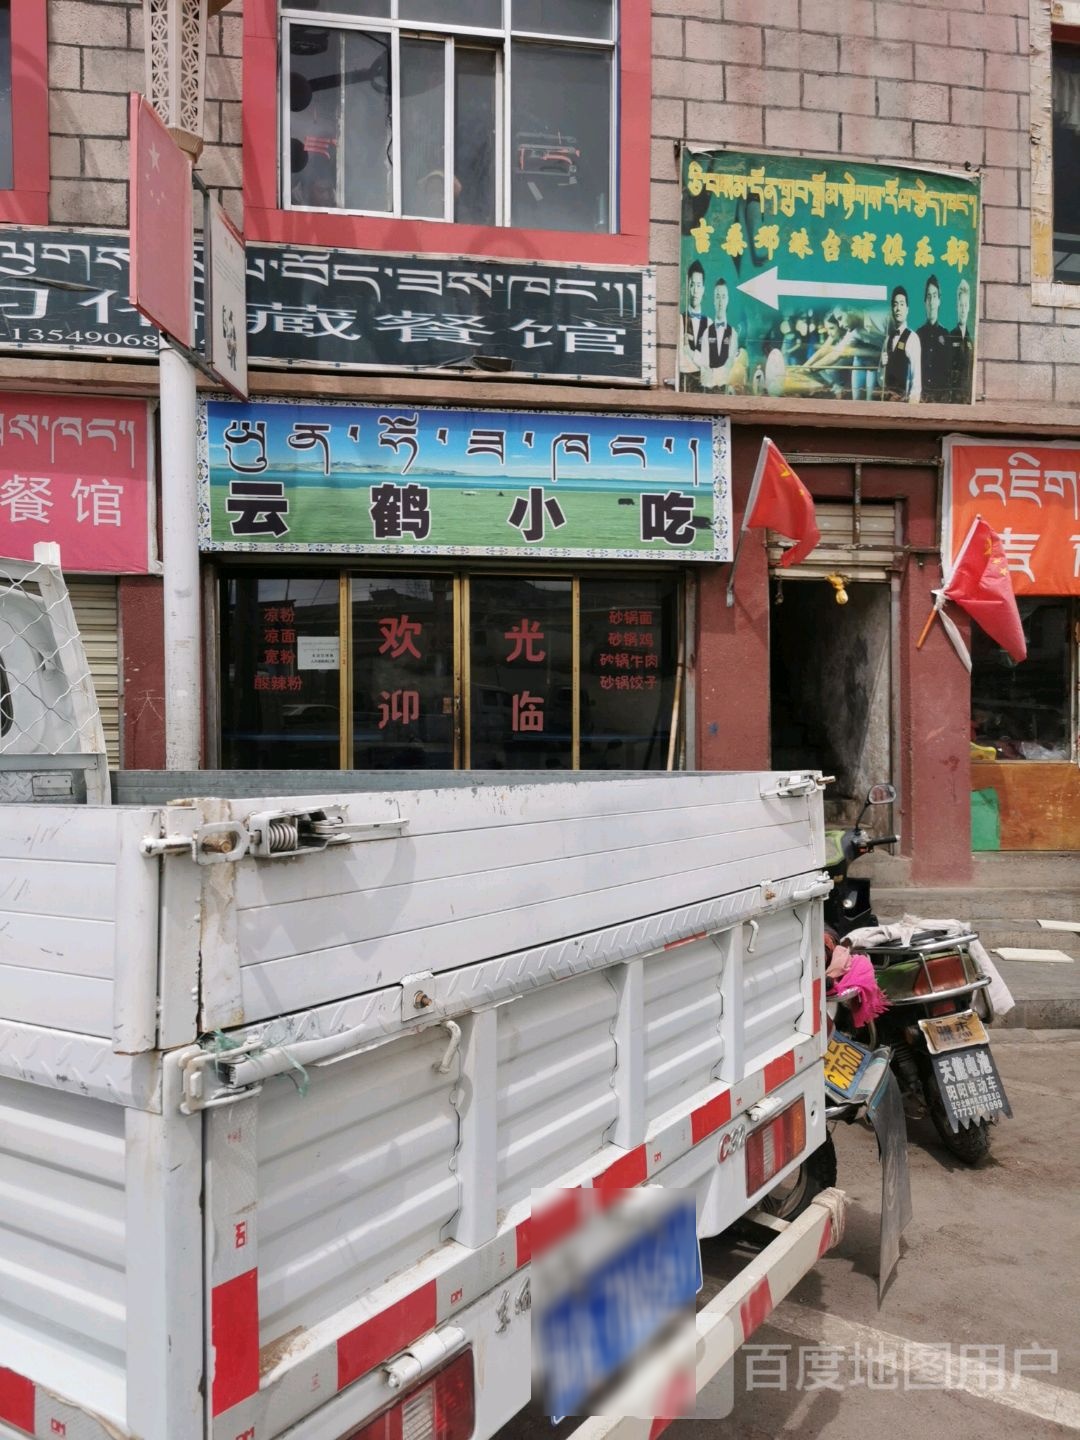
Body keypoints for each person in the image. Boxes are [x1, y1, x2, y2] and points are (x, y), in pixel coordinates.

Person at [880, 285, 921, 402]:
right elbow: (881, 380)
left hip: (904, 402)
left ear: (907, 309)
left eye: (902, 304)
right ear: (892, 309)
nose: (898, 308)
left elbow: (916, 377)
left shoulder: (913, 338)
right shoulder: (888, 338)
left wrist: (913, 402)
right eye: (895, 304)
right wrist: (882, 366)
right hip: (887, 401)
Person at [700, 277, 739, 390]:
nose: (720, 302)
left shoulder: (733, 334)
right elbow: (704, 372)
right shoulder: (706, 333)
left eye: (723, 297)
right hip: (709, 392)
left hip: (727, 391)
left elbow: (730, 367)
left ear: (727, 300)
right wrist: (719, 375)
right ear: (713, 301)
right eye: (717, 297)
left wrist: (713, 374)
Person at [917, 274, 950, 402]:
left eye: (935, 296)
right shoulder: (917, 335)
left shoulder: (946, 335)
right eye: (928, 296)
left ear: (939, 300)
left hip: (941, 402)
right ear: (924, 302)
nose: (931, 302)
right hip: (920, 399)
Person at [680, 260, 709, 391]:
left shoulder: (709, 323)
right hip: (685, 386)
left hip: (704, 389)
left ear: (703, 289)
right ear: (687, 288)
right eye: (692, 285)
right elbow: (682, 363)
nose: (695, 291)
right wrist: (700, 362)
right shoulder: (680, 320)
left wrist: (689, 351)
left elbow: (710, 363)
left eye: (698, 285)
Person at [949, 277, 974, 402]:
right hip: (952, 399)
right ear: (956, 307)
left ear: (969, 307)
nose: (963, 310)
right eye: (960, 305)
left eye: (965, 305)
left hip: (967, 399)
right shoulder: (950, 337)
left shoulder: (971, 341)